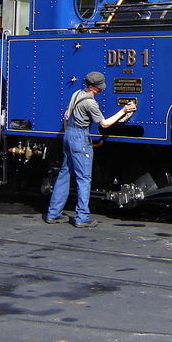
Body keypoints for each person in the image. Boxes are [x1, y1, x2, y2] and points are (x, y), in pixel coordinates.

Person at [44, 71, 137, 228]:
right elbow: (105, 124)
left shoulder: (77, 93)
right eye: (100, 87)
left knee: (64, 174)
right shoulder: (91, 103)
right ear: (93, 87)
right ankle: (82, 217)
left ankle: (53, 214)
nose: (102, 90)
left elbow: (66, 115)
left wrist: (68, 134)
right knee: (84, 179)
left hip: (69, 135)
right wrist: (124, 111)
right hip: (80, 138)